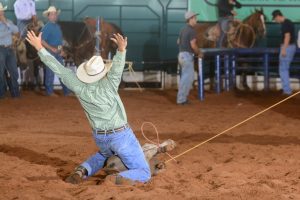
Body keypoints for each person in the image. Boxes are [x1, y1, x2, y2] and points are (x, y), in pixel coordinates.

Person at [26, 30, 151, 184]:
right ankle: (116, 179)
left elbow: (59, 69)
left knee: (105, 154)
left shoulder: (79, 87)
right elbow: (118, 67)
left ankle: (82, 170)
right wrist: (121, 49)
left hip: (100, 137)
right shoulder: (110, 83)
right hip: (120, 136)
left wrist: (40, 48)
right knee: (144, 172)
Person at [41, 6, 70, 96]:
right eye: (52, 14)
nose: (54, 16)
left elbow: (59, 41)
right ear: (48, 16)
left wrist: (60, 50)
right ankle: (49, 92)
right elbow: (42, 41)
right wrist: (51, 48)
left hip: (57, 51)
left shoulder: (57, 27)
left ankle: (66, 91)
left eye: (55, 14)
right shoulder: (46, 27)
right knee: (50, 72)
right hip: (50, 52)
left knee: (61, 72)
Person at [176, 11, 201, 105]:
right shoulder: (191, 30)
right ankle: (181, 99)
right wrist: (199, 53)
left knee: (186, 78)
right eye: (195, 18)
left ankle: (182, 98)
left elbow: (178, 41)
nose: (196, 20)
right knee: (187, 78)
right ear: (190, 19)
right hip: (187, 56)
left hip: (181, 55)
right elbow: (193, 45)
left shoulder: (183, 29)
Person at [272, 10, 296, 95]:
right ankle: (286, 88)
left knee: (283, 69)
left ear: (278, 16)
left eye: (275, 19)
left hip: (287, 47)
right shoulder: (288, 22)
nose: (276, 21)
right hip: (291, 47)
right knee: (284, 68)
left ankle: (287, 90)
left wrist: (283, 49)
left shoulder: (285, 24)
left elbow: (287, 36)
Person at [0, 3, 20, 99]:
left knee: (14, 72)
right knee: (0, 72)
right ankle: (1, 94)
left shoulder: (9, 21)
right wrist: (8, 31)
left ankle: (15, 93)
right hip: (1, 48)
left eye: (2, 11)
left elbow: (16, 30)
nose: (1, 13)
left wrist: (6, 24)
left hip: (10, 48)